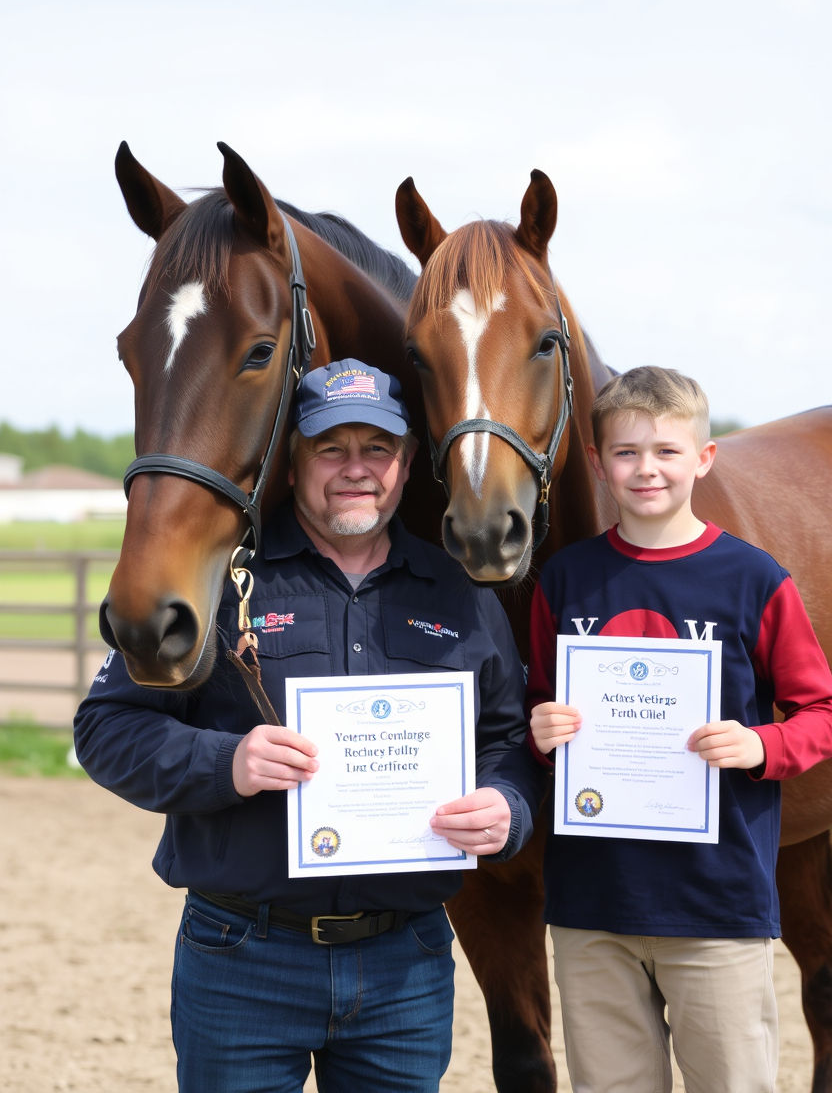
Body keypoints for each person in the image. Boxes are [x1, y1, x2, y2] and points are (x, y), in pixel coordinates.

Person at [74, 357, 543, 1093]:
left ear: (408, 464)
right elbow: (106, 729)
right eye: (331, 448)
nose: (356, 469)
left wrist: (506, 807)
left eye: (377, 450)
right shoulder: (221, 582)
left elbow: (507, 741)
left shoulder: (461, 593)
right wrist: (227, 762)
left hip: (405, 967)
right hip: (243, 959)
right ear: (292, 464)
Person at [527, 365, 832, 1093]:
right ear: (598, 464)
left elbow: (819, 713)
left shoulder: (756, 579)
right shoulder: (565, 580)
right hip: (592, 912)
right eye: (627, 453)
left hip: (716, 906)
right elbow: (537, 706)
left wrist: (762, 744)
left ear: (704, 457)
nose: (646, 469)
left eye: (667, 451)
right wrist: (542, 731)